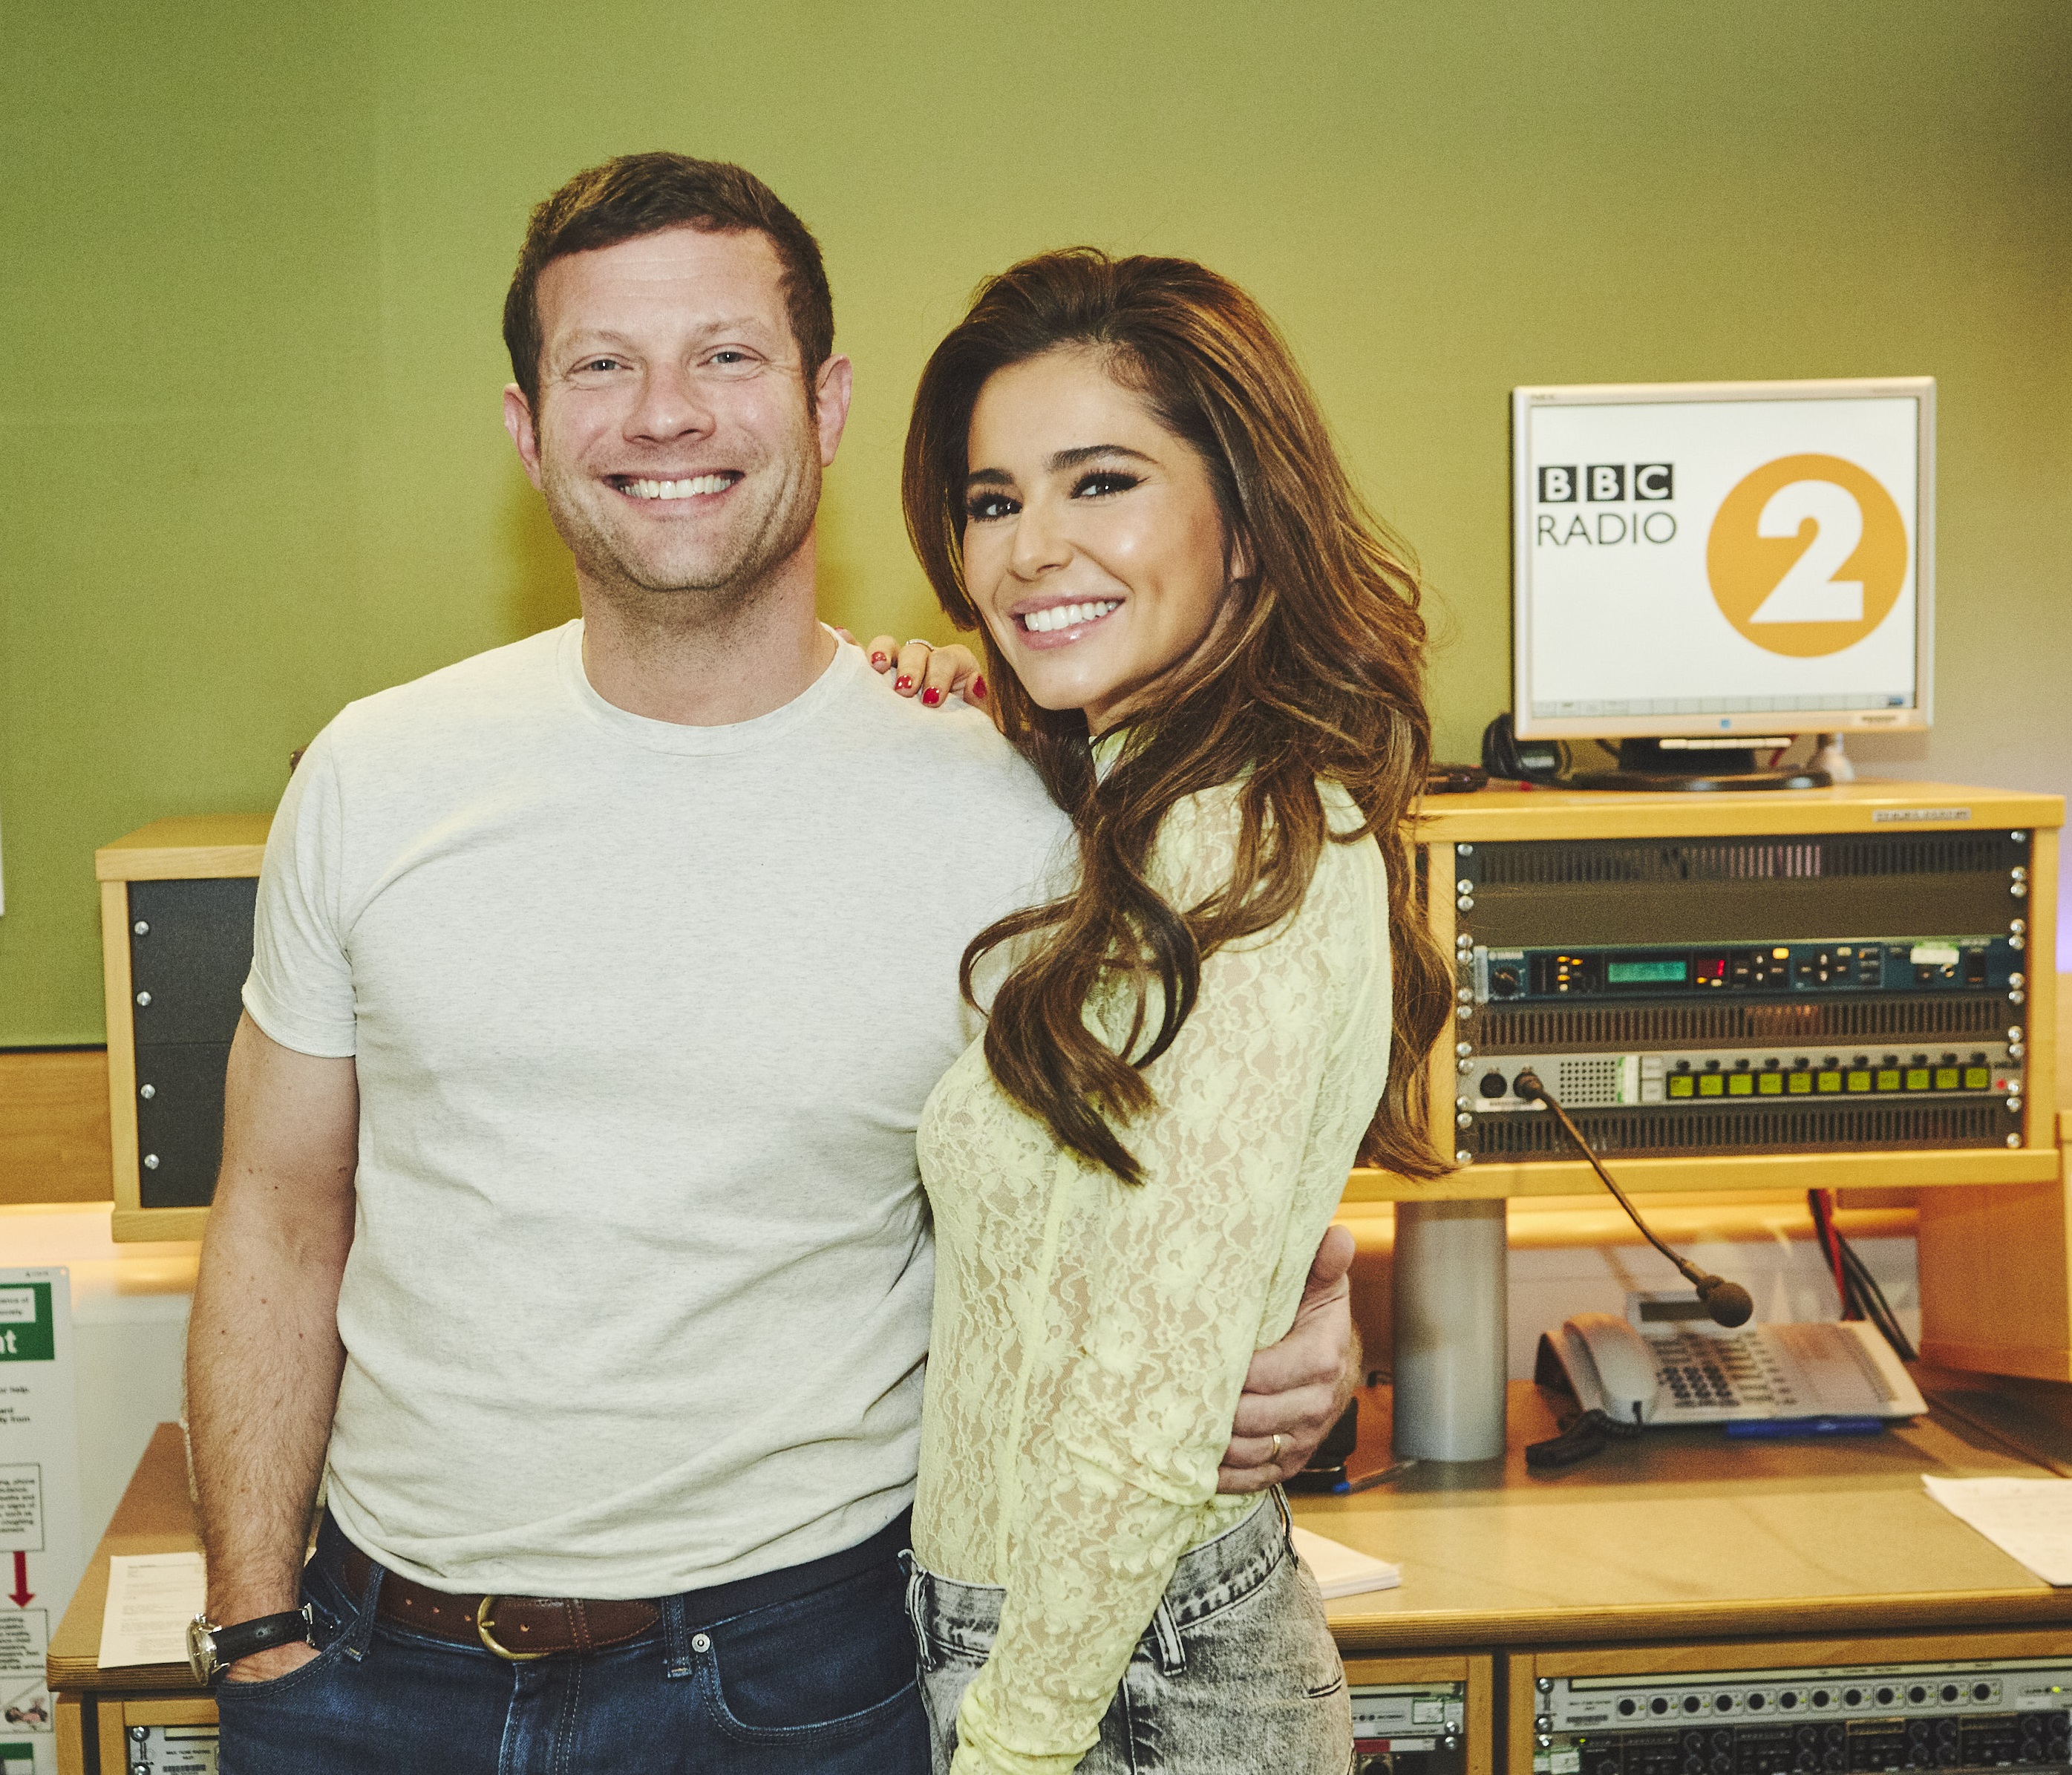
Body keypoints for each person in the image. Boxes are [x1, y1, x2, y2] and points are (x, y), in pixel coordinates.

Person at [184, 153, 1357, 1775]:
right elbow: (277, 1205)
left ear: (826, 402)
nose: (666, 415)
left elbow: (1148, 1201)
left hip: (802, 1682)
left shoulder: (1024, 804)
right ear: (528, 428)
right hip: (374, 1675)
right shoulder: (373, 774)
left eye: (725, 357)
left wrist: (1297, 1333)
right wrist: (257, 1628)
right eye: (603, 365)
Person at [896, 249, 1448, 1773]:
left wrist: (1011, 1744)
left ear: (1247, 523)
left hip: (1108, 1678)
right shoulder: (1147, 819)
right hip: (1069, 1647)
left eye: (1102, 482)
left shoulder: (1245, 847)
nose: (1029, 549)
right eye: (995, 500)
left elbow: (1143, 1407)